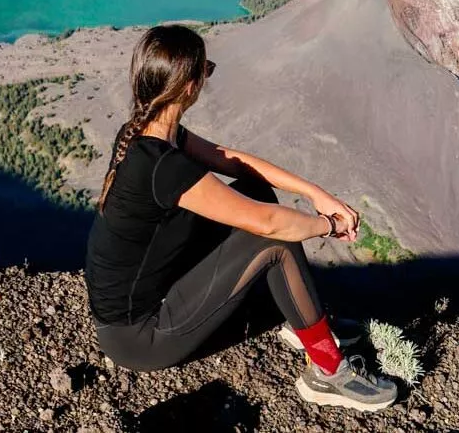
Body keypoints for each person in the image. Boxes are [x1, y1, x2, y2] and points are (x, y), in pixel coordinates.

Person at [85, 24, 398, 412]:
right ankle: (327, 371)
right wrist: (331, 226)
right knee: (274, 238)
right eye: (207, 70)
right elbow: (269, 225)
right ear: (188, 88)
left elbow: (232, 160)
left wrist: (315, 193)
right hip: (139, 337)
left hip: (147, 297)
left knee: (256, 194)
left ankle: (299, 318)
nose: (207, 77)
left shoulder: (147, 135)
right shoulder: (162, 167)